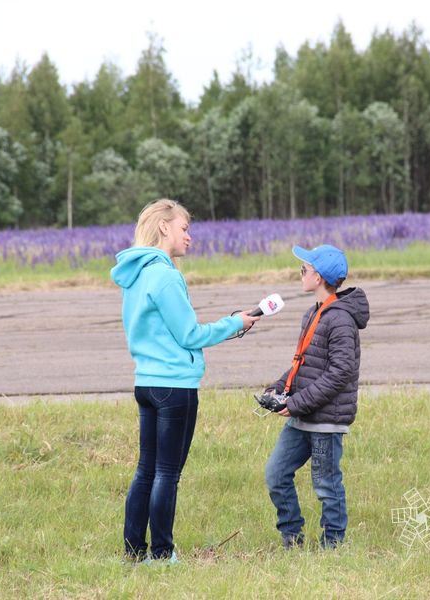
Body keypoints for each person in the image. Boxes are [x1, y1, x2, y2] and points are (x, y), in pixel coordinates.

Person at [111, 199, 259, 563]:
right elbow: (189, 335)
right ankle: (161, 554)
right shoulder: (165, 275)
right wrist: (235, 323)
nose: (189, 236)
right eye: (184, 228)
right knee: (166, 473)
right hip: (174, 385)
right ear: (165, 228)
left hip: (146, 382)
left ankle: (133, 551)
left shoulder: (137, 274)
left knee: (146, 469)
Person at [263, 244, 369, 550]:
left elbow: (340, 373)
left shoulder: (340, 319)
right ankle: (292, 537)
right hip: (303, 415)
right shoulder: (314, 313)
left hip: (325, 419)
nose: (301, 274)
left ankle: (332, 546)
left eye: (304, 270)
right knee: (276, 474)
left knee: (326, 484)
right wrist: (279, 387)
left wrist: (295, 403)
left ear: (319, 277)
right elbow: (304, 362)